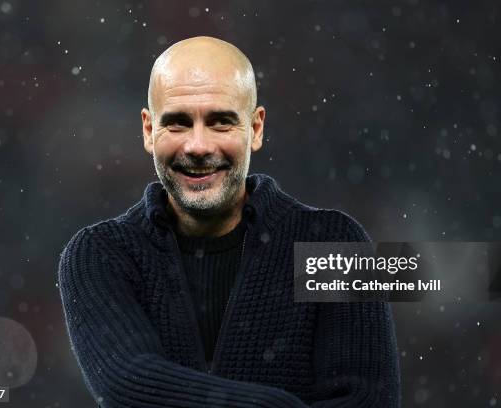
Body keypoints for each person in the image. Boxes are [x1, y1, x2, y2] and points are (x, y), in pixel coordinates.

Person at [58, 36, 400, 407]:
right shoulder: (100, 254)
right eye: (177, 124)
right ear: (147, 130)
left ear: (255, 129)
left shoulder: (337, 244)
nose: (198, 146)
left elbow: (370, 400)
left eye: (221, 122)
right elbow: (127, 382)